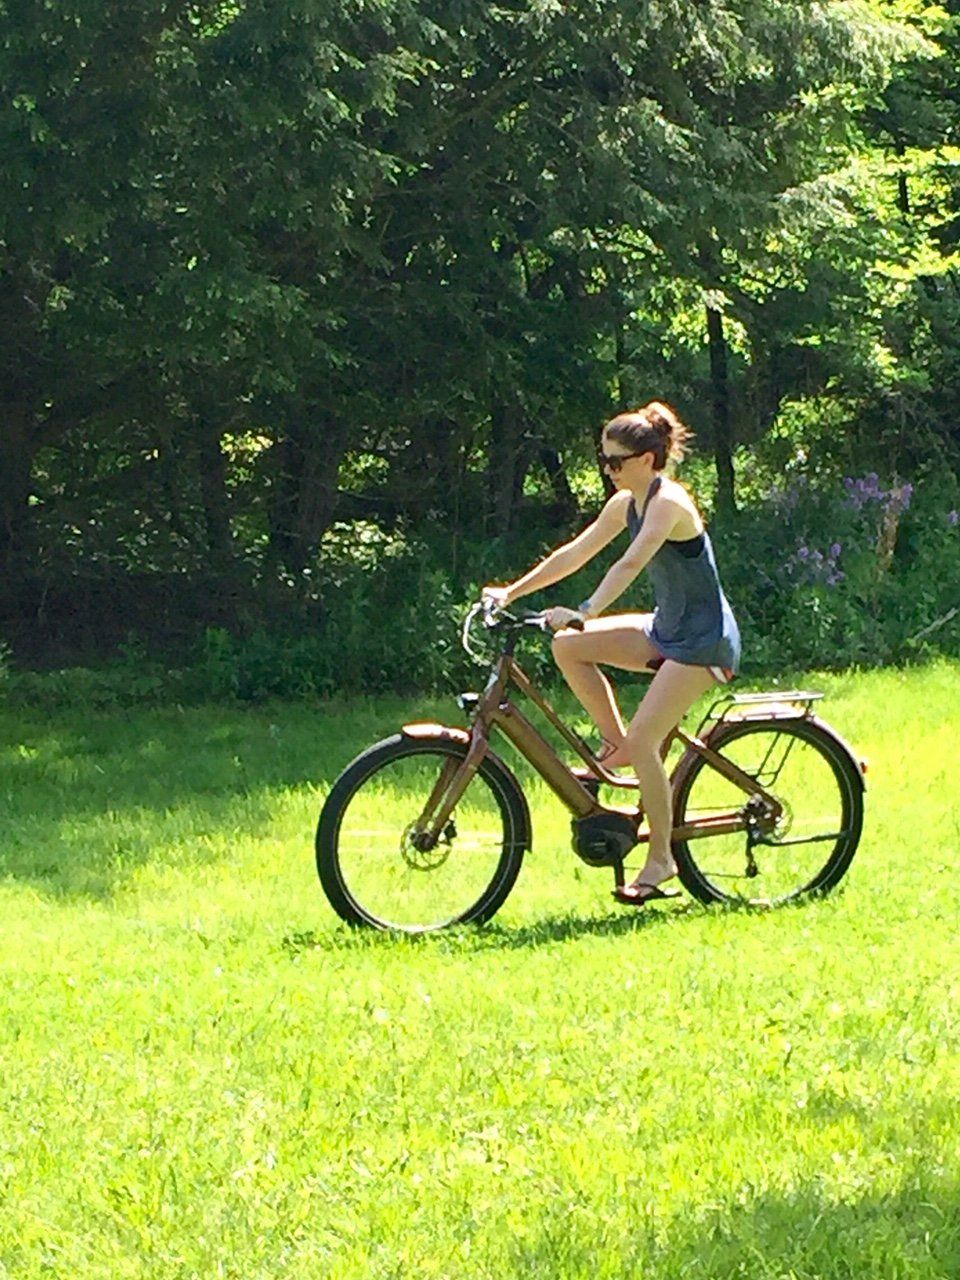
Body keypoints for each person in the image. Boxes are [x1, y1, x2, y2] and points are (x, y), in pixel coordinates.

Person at [483, 402, 740, 906]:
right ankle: (614, 744)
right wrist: (510, 593)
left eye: (615, 462)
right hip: (667, 628)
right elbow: (576, 553)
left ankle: (661, 858)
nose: (608, 470)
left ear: (647, 459)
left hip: (702, 641)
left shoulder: (669, 503)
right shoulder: (625, 501)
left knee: (648, 740)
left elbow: (628, 563)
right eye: (603, 460)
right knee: (569, 647)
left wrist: (585, 608)